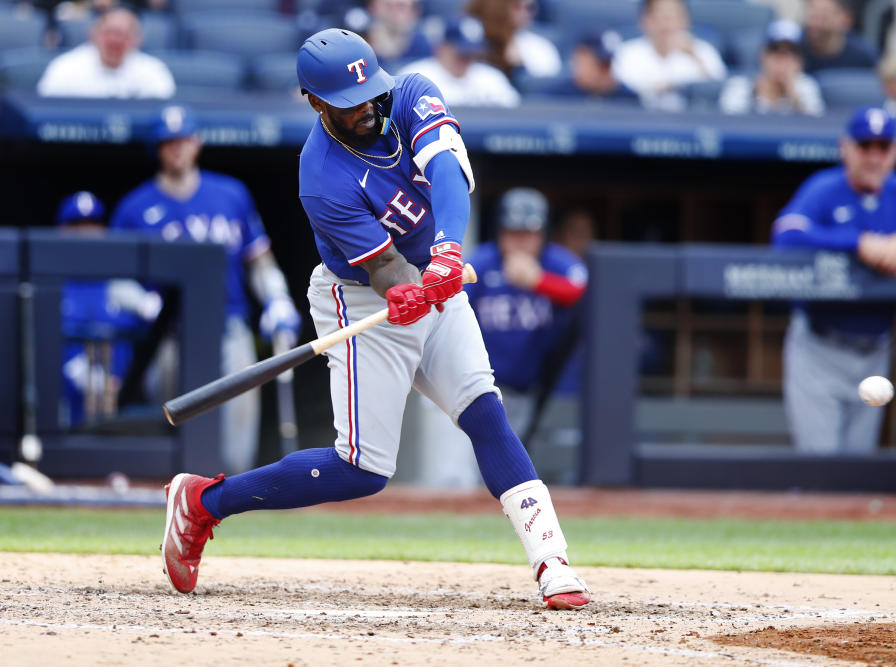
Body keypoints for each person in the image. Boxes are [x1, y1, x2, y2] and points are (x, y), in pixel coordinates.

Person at [159, 28, 590, 611]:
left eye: (369, 94)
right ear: (314, 102)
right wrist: (408, 290)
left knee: (485, 413)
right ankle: (204, 503)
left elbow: (449, 176)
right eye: (347, 103)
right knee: (362, 470)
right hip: (361, 299)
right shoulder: (321, 176)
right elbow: (385, 268)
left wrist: (446, 254)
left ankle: (551, 561)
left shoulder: (411, 92)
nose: (366, 110)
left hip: (436, 272)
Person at [111, 104, 301, 474]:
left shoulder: (230, 194)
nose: (177, 149)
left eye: (183, 140)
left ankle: (233, 506)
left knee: (236, 435)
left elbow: (258, 261)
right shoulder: (136, 206)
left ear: (197, 143)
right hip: (168, 335)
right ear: (158, 149)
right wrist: (142, 303)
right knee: (176, 431)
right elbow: (116, 281)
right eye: (168, 143)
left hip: (228, 325)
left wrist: (277, 298)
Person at [772, 106, 896, 454]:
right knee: (820, 466)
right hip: (819, 348)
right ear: (846, 147)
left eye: (883, 147)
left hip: (876, 351)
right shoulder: (825, 187)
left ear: (895, 153)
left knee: (859, 468)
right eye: (864, 146)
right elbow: (786, 234)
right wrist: (857, 242)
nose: (873, 157)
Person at [463, 188, 588, 438]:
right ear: (500, 233)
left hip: (539, 388)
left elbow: (582, 289)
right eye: (513, 233)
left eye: (529, 233)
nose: (521, 241)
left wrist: (538, 281)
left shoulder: (555, 262)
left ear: (543, 234)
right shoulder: (483, 261)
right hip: (482, 386)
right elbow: (453, 298)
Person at [56, 191, 162, 427]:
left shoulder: (120, 285)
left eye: (92, 225)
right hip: (64, 409)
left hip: (124, 406)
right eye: (76, 226)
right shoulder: (51, 286)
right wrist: (85, 376)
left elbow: (157, 326)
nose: (85, 234)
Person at [36, 5, 175, 99]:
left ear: (137, 40)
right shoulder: (65, 68)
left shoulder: (153, 71)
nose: (115, 40)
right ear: (93, 35)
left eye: (123, 34)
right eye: (108, 32)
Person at [611, 0, 727, 112]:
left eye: (674, 17)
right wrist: (670, 86)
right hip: (640, 121)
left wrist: (694, 56)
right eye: (661, 17)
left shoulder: (703, 51)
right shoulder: (628, 53)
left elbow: (722, 91)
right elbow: (624, 92)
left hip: (691, 123)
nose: (668, 25)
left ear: (686, 20)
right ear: (645, 20)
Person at [400, 16, 520, 108]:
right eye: (462, 53)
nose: (467, 58)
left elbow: (514, 114)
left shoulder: (491, 78)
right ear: (441, 47)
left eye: (472, 53)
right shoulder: (415, 78)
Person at [720, 19, 825, 116]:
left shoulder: (806, 87)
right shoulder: (739, 86)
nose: (783, 60)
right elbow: (729, 126)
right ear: (763, 55)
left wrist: (793, 95)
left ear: (800, 61)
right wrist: (756, 93)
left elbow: (815, 129)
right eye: (776, 51)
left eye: (791, 52)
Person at [465, 0, 562, 80]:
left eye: (529, 8)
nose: (524, 13)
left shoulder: (540, 47)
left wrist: (518, 68)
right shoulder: (469, 36)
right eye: (516, 6)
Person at [532, 31, 636, 102]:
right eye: (601, 64)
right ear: (580, 58)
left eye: (609, 64)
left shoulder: (628, 98)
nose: (606, 71)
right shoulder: (554, 98)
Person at [345, 0, 433, 72]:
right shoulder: (362, 43)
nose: (396, 13)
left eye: (401, 7)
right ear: (374, 7)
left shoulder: (421, 44)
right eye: (389, 7)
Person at [800, 0, 876, 73]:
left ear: (846, 19)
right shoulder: (795, 51)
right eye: (812, 16)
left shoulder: (864, 56)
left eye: (824, 17)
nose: (815, 24)